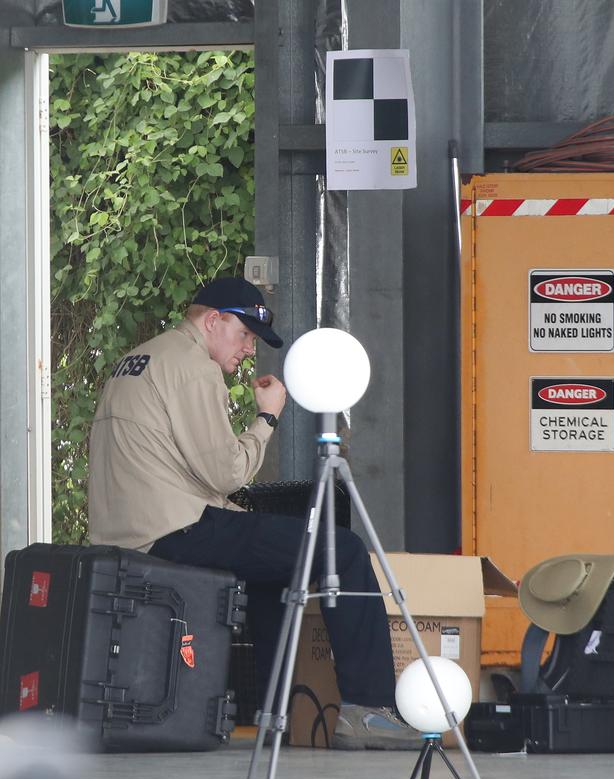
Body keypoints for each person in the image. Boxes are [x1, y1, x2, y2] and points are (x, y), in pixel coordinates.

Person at [88, 275, 420, 749]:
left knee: (274, 568)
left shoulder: (134, 360)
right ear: (212, 320)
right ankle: (367, 709)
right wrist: (266, 417)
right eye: (244, 335)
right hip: (175, 528)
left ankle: (273, 715)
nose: (248, 350)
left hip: (128, 531)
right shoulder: (192, 367)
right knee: (342, 550)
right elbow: (227, 474)